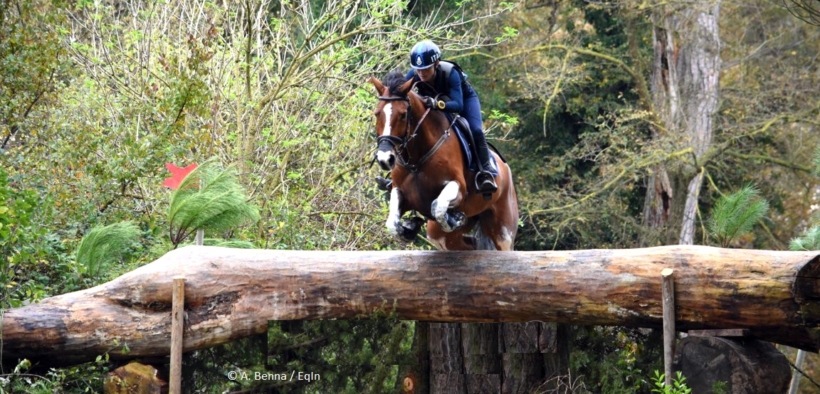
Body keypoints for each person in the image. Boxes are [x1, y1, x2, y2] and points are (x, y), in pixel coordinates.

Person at [376, 39, 497, 194]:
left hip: (462, 101)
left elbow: (457, 105)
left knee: (476, 130)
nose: (421, 73)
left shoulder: (451, 73)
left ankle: (485, 171)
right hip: (435, 105)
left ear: (436, 63)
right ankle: (396, 177)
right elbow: (400, 99)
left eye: (426, 69)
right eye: (418, 70)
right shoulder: (413, 75)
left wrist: (436, 104)